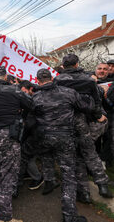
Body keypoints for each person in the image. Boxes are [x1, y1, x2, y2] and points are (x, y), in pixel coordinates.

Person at [31, 68, 92, 222]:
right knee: (68, 174)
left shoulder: (35, 97)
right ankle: (69, 214)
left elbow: (30, 116)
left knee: (46, 157)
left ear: (38, 80)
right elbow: (86, 106)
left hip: (44, 136)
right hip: (65, 137)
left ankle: (49, 181)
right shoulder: (68, 92)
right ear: (52, 78)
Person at [55, 54, 112, 203]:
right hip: (86, 120)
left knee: (76, 155)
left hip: (66, 121)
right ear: (76, 64)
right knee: (89, 152)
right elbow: (96, 101)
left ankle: (85, 192)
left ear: (63, 65)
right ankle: (102, 185)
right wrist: (98, 115)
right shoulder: (87, 79)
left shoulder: (58, 80)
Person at [0, 66, 32, 222]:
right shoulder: (15, 90)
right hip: (8, 134)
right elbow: (31, 105)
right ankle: (5, 217)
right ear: (5, 76)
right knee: (7, 174)